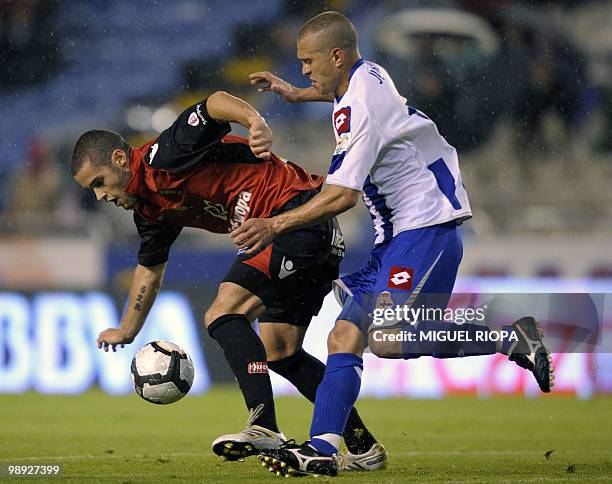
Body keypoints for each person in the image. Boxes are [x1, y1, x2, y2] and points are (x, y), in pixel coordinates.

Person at [237, 11, 554, 477]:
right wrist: (295, 92)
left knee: (388, 340)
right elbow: (335, 90)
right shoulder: (368, 74)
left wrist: (274, 225)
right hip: (398, 239)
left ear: (336, 55)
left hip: (426, 230)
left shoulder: (360, 107)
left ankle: (511, 336)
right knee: (344, 337)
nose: (303, 69)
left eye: (308, 62)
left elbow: (342, 196)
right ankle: (323, 449)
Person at [70, 90, 387, 471]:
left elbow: (215, 102)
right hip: (307, 234)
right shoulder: (151, 211)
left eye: (99, 182)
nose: (101, 195)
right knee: (281, 352)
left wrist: (256, 122)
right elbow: (150, 269)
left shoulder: (166, 155)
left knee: (223, 311)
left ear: (120, 159)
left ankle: (264, 425)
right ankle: (363, 447)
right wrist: (126, 329)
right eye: (93, 190)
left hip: (293, 217)